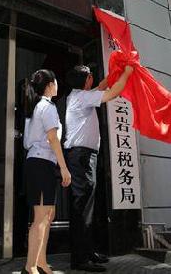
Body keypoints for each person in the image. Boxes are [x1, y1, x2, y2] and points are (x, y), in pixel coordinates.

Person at [64, 65, 133, 272]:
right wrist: (127, 73)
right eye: (90, 76)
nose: (93, 79)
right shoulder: (81, 97)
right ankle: (80, 259)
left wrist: (117, 72)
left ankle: (88, 251)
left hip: (85, 157)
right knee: (81, 209)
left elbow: (103, 85)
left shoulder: (82, 95)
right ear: (85, 80)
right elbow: (112, 93)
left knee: (87, 208)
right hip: (81, 158)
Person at [22, 69, 71, 274]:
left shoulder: (36, 107)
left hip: (41, 163)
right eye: (56, 81)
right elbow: (52, 139)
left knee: (48, 215)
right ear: (50, 84)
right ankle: (30, 266)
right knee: (41, 217)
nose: (58, 85)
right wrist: (64, 168)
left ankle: (41, 262)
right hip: (41, 163)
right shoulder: (46, 106)